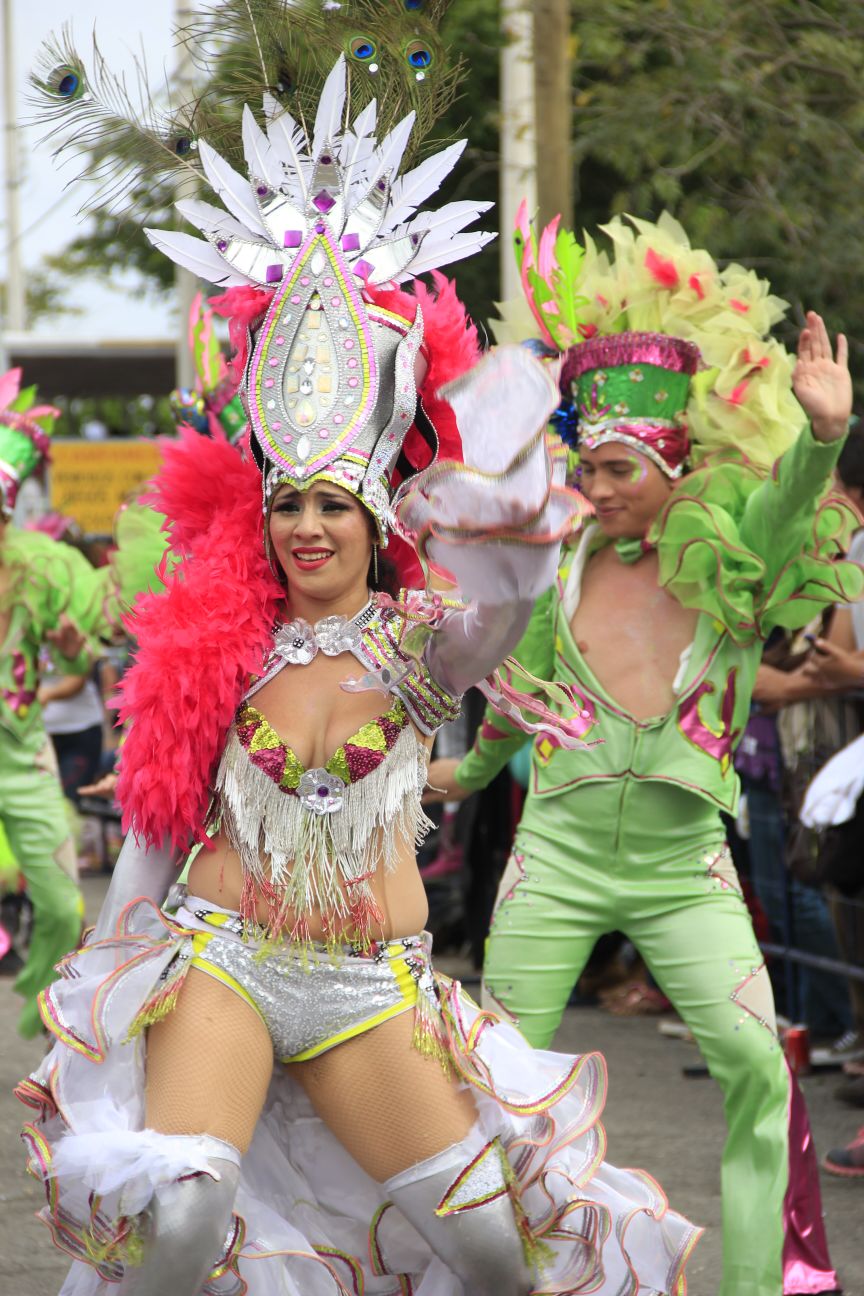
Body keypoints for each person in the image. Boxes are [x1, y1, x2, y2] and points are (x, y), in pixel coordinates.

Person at [18, 55, 701, 1296]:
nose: (310, 528)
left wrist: (492, 456)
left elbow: (507, 588)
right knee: (179, 1223)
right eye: (291, 504)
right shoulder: (217, 647)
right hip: (224, 963)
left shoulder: (426, 638)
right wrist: (109, 958)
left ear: (377, 511)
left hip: (368, 989)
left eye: (337, 502)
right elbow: (162, 821)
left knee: (494, 1252)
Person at [428, 211, 863, 1296]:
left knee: (762, 1071)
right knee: (492, 1087)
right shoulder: (559, 564)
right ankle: (505, 1273)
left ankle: (760, 1283)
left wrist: (820, 436)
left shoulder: (732, 551)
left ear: (672, 460)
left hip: (685, 873)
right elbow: (513, 703)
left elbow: (791, 502)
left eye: (619, 467)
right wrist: (461, 776)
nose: (600, 486)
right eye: (589, 463)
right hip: (556, 861)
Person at [0, 368, 107, 1036]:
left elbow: (74, 659)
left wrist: (70, 648)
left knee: (66, 909)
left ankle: (38, 1008)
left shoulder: (39, 569)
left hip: (24, 756)